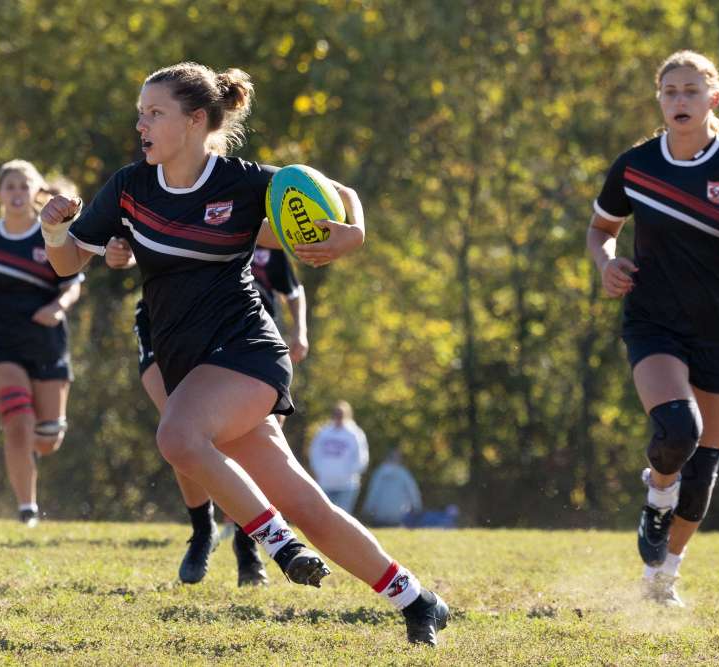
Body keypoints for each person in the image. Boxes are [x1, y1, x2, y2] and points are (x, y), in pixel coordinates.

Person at [40, 61, 449, 644]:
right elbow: (65, 264)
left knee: (177, 439)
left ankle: (277, 547)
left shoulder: (249, 182)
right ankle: (418, 599)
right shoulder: (129, 187)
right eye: (140, 113)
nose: (141, 125)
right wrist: (53, 227)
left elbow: (345, 195)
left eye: (155, 113)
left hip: (248, 351)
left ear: (196, 120)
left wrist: (353, 232)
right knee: (310, 507)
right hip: (189, 364)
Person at [588, 50, 719, 606]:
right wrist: (606, 263)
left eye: (690, 91)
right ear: (659, 99)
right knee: (677, 431)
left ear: (714, 97)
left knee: (702, 467)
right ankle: (656, 494)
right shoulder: (635, 165)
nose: (679, 101)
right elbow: (600, 229)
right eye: (669, 92)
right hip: (654, 321)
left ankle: (663, 578)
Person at [105, 243, 269, 587]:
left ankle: (248, 544)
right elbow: (114, 238)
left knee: (236, 440)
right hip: (160, 323)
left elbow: (268, 238)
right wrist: (117, 252)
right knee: (178, 427)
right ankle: (201, 530)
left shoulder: (237, 192)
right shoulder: (139, 189)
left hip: (223, 324)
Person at [0, 160, 82, 526]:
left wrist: (58, 307)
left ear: (35, 192)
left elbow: (72, 282)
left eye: (23, 186)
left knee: (46, 439)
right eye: (9, 186)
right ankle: (27, 509)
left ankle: (41, 443)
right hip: (2, 344)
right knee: (17, 422)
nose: (15, 193)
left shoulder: (52, 234)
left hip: (47, 343)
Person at [307, 401, 370, 513]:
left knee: (343, 515)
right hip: (325, 482)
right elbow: (314, 453)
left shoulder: (354, 434)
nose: (338, 417)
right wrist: (320, 471)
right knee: (324, 514)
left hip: (347, 484)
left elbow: (362, 457)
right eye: (336, 414)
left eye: (341, 414)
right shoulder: (324, 433)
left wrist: (350, 473)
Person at [362, 449, 421, 527]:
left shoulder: (379, 472)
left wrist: (367, 510)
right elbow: (413, 492)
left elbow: (373, 492)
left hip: (379, 515)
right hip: (399, 515)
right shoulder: (404, 473)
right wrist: (417, 508)